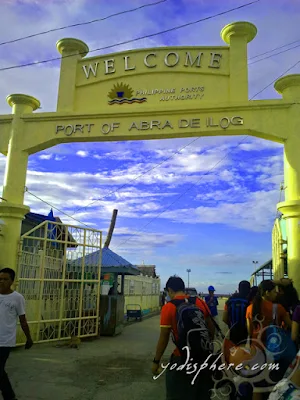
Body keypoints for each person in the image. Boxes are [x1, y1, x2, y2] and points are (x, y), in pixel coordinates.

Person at [152, 276, 215, 399]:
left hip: (181, 357)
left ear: (170, 290)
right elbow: (210, 327)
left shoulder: (168, 307)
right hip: (203, 358)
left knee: (176, 394)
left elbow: (164, 338)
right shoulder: (199, 302)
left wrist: (156, 361)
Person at [246, 280, 292, 400]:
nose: (276, 294)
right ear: (267, 293)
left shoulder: (250, 308)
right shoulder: (278, 308)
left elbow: (249, 332)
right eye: (274, 291)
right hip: (274, 353)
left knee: (257, 387)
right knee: (274, 386)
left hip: (256, 351)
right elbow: (291, 325)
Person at [0, 267, 33, 400]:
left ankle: (10, 397)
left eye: (5, 279)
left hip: (5, 340)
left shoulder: (17, 298)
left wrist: (28, 338)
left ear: (12, 281)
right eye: (0, 279)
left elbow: (22, 320)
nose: (1, 281)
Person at [223, 280, 251, 345]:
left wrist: (231, 325)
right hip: (244, 331)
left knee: (233, 351)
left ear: (238, 289)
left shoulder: (229, 301)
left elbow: (224, 318)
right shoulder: (249, 302)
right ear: (249, 290)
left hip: (233, 330)